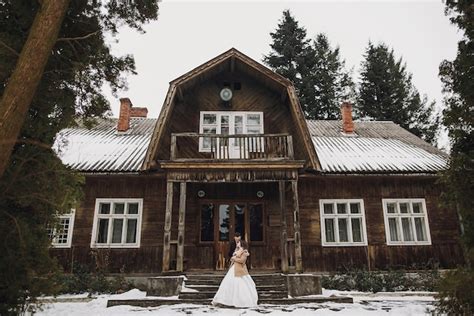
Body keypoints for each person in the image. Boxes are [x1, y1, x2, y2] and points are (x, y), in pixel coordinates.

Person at [211, 240, 258, 308]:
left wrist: (234, 258)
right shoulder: (237, 251)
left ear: (242, 244)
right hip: (234, 269)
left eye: (238, 243)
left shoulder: (244, 252)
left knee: (240, 285)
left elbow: (242, 261)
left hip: (240, 270)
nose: (237, 244)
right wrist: (233, 258)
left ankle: (242, 301)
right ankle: (226, 300)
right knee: (228, 284)